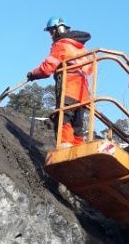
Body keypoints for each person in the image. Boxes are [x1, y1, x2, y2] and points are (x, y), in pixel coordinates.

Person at [27, 17, 93, 147]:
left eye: (52, 32)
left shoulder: (61, 45)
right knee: (77, 125)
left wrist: (33, 74)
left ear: (59, 29)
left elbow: (47, 68)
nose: (51, 36)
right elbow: (90, 69)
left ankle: (65, 149)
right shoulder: (82, 49)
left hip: (68, 89)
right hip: (83, 94)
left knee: (64, 119)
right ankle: (78, 151)